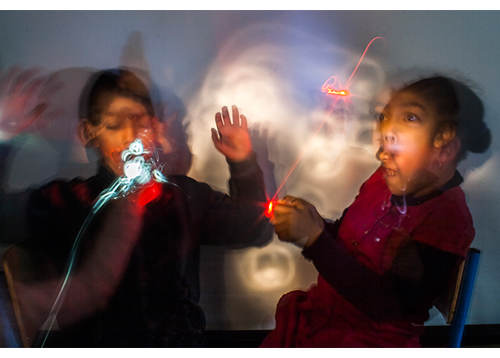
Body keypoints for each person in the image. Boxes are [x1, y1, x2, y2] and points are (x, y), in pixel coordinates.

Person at [0, 67, 271, 347]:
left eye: (139, 122)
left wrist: (243, 162)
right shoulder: (69, 202)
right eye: (115, 124)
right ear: (88, 132)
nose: (130, 135)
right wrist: (4, 138)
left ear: (155, 128)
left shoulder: (183, 197)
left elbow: (251, 226)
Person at [261, 75, 491, 347]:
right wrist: (316, 224)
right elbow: (348, 242)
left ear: (445, 146)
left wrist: (314, 240)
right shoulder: (382, 180)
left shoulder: (445, 220)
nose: (381, 155)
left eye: (397, 143)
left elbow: (386, 304)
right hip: (322, 319)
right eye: (384, 138)